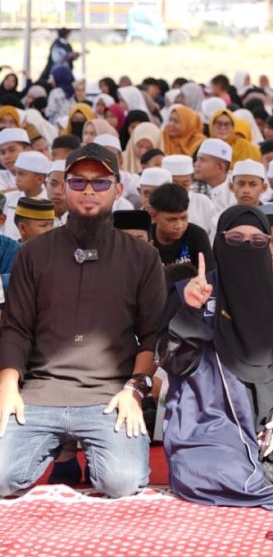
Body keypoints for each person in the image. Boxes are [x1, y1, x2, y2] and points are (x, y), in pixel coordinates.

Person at [0, 144, 166, 498]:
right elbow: (16, 329)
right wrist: (8, 386)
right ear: (63, 188)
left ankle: (100, 454)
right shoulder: (33, 253)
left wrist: (134, 390)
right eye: (78, 182)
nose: (89, 190)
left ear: (117, 190)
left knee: (122, 482)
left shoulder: (142, 256)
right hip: (41, 393)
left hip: (110, 394)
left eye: (100, 182)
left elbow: (153, 335)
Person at [159, 207, 273, 507]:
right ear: (219, 243)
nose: (247, 246)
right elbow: (173, 363)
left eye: (257, 241)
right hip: (212, 427)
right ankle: (249, 469)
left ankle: (255, 467)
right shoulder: (196, 295)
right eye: (235, 238)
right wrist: (190, 312)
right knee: (219, 472)